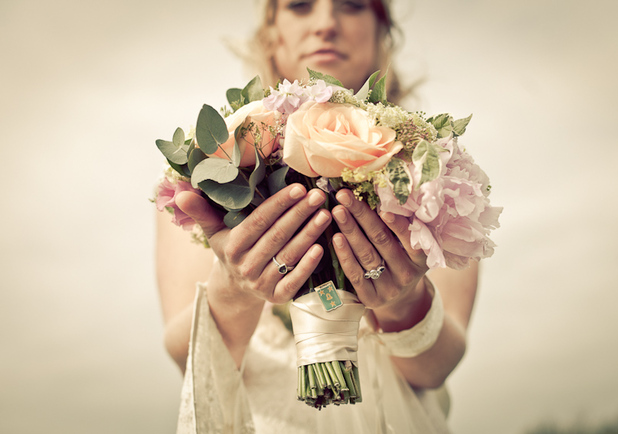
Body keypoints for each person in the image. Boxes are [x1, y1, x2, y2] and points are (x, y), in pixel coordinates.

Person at [157, 0, 479, 432]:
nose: (326, 24)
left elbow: (438, 366)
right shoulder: (209, 167)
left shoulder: (434, 168)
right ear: (272, 29)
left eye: (351, 5)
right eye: (301, 5)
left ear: (381, 27)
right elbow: (183, 352)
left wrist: (404, 302)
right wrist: (235, 288)